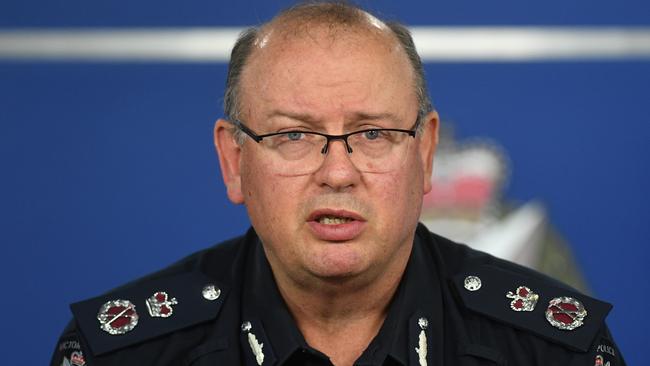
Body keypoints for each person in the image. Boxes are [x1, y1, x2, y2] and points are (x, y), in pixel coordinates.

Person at [51, 2, 626, 365]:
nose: (337, 172)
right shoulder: (123, 349)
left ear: (425, 154)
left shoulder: (552, 349)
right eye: (294, 136)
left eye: (373, 133)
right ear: (233, 160)